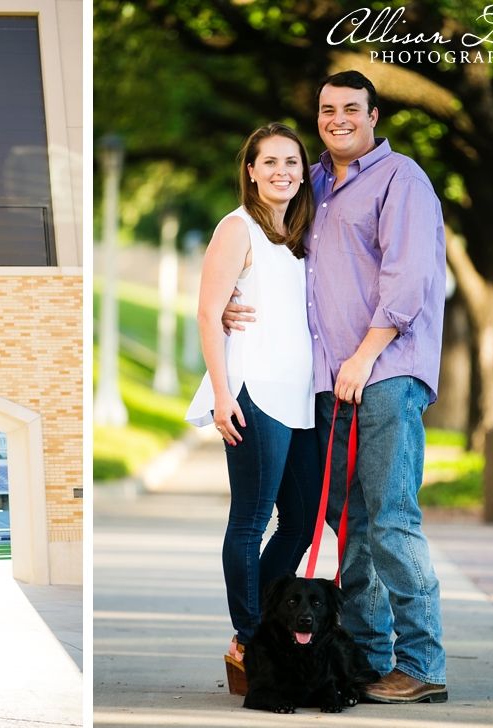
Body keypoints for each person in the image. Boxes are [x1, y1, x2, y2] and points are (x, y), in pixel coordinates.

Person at [224, 70, 448, 704]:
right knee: (344, 524)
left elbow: (408, 280)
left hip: (383, 373)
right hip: (327, 384)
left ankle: (423, 663)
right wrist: (225, 307)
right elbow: (276, 266)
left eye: (353, 108)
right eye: (327, 109)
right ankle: (373, 659)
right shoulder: (313, 181)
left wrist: (366, 355)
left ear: (375, 116)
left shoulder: (402, 179)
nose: (338, 119)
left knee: (392, 520)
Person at [185, 122, 321, 694]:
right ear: (250, 170)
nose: (281, 172)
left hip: (300, 395)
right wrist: (221, 394)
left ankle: (259, 624)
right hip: (253, 392)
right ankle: (247, 632)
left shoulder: (299, 233)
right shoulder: (236, 228)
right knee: (250, 519)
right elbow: (208, 312)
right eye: (269, 163)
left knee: (302, 519)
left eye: (292, 162)